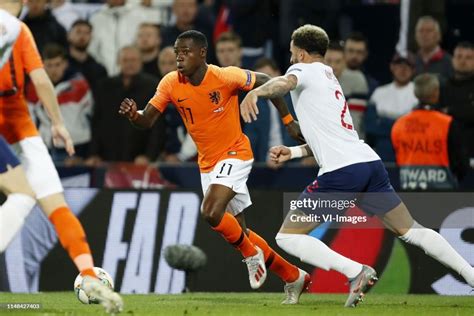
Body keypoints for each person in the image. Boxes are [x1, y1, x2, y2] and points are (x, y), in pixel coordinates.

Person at [240, 24, 474, 307]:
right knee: (412, 230)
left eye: (291, 54)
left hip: (342, 172)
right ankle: (471, 276)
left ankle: (356, 271)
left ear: (301, 53)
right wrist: (293, 152)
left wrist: (257, 93)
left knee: (288, 237)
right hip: (367, 163)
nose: (290, 60)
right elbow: (331, 137)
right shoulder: (329, 78)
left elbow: (284, 84)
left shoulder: (303, 71)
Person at [119, 30, 310, 304]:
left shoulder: (225, 76)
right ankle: (293, 276)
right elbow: (147, 120)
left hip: (236, 153)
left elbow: (268, 81)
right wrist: (132, 115)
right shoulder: (171, 83)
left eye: (185, 51)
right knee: (241, 233)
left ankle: (250, 254)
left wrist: (289, 120)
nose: (179, 57)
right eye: (176, 52)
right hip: (207, 164)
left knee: (210, 212)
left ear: (202, 53)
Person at [0, 6, 122, 313]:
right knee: (39, 202)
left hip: (19, 131)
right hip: (19, 129)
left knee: (37, 200)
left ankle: (90, 275)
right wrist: (58, 124)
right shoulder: (17, 30)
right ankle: (89, 273)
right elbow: (40, 80)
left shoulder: (18, 29)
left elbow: (41, 80)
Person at [88, 46, 165, 165]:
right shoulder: (104, 86)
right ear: (118, 62)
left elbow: (157, 125)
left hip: (140, 158)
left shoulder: (153, 86)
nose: (130, 64)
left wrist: (149, 156)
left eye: (133, 60)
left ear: (140, 62)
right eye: (125, 60)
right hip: (107, 157)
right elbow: (97, 122)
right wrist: (94, 153)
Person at [392, 73, 468, 190]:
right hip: (442, 192)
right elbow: (461, 164)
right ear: (436, 92)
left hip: (409, 190)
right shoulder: (447, 123)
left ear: (415, 93)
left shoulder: (399, 124)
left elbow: (397, 158)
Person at [26, 43, 93, 164]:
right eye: (49, 65)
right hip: (44, 147)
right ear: (42, 65)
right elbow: (29, 120)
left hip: (75, 147)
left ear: (65, 64)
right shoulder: (33, 87)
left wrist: (86, 153)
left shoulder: (79, 86)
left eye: (57, 65)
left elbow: (90, 117)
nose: (53, 70)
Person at [365, 53, 418, 162]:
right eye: (399, 65)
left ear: (413, 70)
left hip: (410, 152)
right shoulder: (379, 93)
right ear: (392, 67)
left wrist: (383, 122)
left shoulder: (418, 94)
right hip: (383, 153)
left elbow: (416, 129)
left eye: (407, 66)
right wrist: (401, 123)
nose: (403, 69)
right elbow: (370, 126)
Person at [325, 41, 368, 139]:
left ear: (345, 62)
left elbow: (355, 122)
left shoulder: (357, 80)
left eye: (338, 61)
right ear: (323, 62)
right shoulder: (314, 79)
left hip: (349, 140)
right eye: (329, 61)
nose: (333, 66)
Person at [440, 41, 474, 158]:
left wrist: (449, 111)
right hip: (447, 153)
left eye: (468, 57)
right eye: (459, 56)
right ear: (452, 60)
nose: (463, 61)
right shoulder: (442, 87)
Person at [67, 19, 108, 98]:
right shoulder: (60, 66)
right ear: (68, 35)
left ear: (91, 37)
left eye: (87, 33)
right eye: (78, 32)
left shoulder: (99, 70)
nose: (82, 36)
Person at [414, 16, 453, 82]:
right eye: (421, 31)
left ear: (438, 35)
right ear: (416, 35)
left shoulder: (449, 62)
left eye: (429, 31)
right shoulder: (411, 61)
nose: (424, 34)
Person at [344, 32, 379, 96]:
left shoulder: (372, 85)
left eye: (359, 52)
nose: (354, 56)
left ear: (366, 54)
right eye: (350, 51)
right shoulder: (331, 78)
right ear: (343, 51)